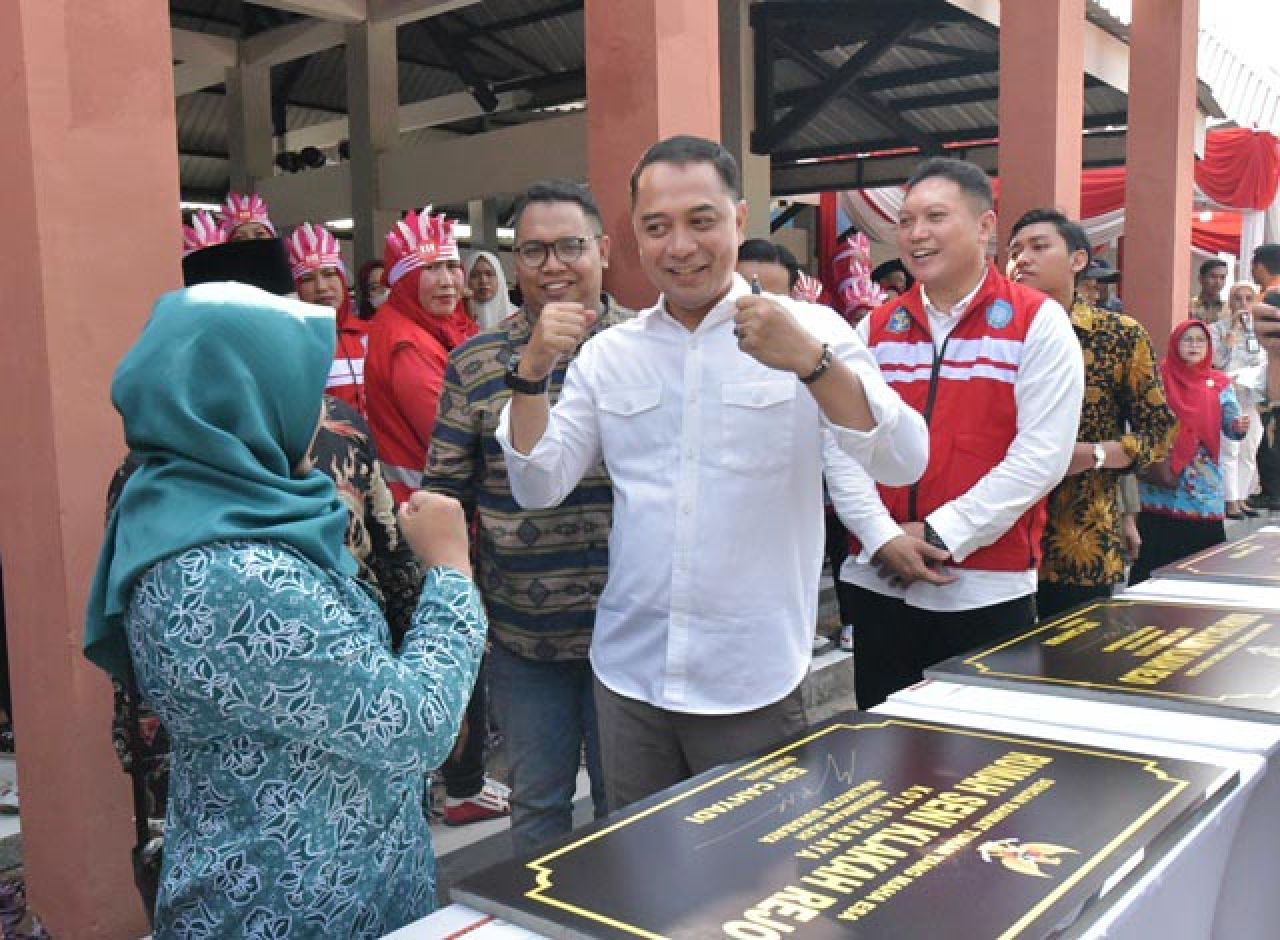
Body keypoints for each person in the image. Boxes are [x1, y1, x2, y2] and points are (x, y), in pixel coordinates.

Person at [498, 135, 928, 809]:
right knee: (639, 876)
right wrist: (529, 376)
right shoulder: (613, 354)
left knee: (753, 884)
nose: (680, 246)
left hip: (749, 676)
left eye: (701, 221)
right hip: (631, 674)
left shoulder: (811, 330)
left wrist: (812, 364)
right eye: (656, 227)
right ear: (634, 237)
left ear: (740, 218)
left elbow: (903, 457)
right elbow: (536, 483)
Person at [84, 282, 487, 938]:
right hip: (295, 906)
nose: (319, 409)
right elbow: (414, 727)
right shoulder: (230, 576)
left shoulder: (194, 502)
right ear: (242, 397)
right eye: (300, 385)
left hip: (328, 880)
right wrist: (450, 573)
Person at [827, 158, 1084, 709]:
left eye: (936, 217)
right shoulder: (873, 326)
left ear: (985, 227)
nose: (917, 234)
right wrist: (883, 535)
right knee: (883, 757)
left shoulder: (1036, 322)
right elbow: (841, 442)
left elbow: (1041, 456)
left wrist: (941, 534)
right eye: (907, 220)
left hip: (985, 586)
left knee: (980, 770)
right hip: (880, 579)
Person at [426, 181, 628, 849]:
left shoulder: (645, 347)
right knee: (539, 806)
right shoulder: (478, 361)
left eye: (571, 246)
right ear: (516, 265)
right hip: (523, 634)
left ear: (603, 249)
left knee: (628, 807)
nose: (553, 265)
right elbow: (443, 494)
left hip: (634, 631)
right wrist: (461, 607)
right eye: (534, 250)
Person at [1006, 209, 1176, 619]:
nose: (1022, 258)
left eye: (1039, 247)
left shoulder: (1119, 335)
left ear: (1078, 260)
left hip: (1079, 535)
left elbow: (1160, 432)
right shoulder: (993, 334)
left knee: (1071, 666)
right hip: (996, 538)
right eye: (1014, 250)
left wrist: (1097, 455)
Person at [364, 208, 478, 503]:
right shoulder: (408, 344)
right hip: (424, 504)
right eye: (430, 269)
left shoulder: (428, 326)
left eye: (452, 265)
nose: (447, 281)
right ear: (406, 281)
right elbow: (450, 439)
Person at [1130, 319, 1250, 583]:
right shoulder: (1157, 378)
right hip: (1163, 479)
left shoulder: (1219, 383)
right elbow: (1141, 415)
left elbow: (1231, 427)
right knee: (1156, 554)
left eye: (1200, 340)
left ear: (1209, 346)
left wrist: (1239, 427)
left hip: (1201, 482)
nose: (1194, 345)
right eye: (1187, 339)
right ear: (1175, 344)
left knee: (1202, 557)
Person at [288, 222, 368, 415]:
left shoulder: (371, 334)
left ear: (342, 280)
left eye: (329, 274)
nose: (321, 287)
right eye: (307, 279)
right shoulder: (291, 345)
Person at [1214, 282, 1266, 518]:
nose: (1244, 304)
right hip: (1227, 396)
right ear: (1230, 302)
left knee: (1249, 448)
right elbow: (1216, 362)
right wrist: (1230, 335)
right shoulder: (1217, 329)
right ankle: (1230, 500)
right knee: (1230, 449)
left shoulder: (1260, 331)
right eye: (1238, 298)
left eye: (1248, 299)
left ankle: (1243, 496)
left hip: (1250, 395)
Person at [1250, 244, 1280, 510]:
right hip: (1268, 380)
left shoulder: (1269, 297)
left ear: (1260, 265)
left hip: (1267, 384)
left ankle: (1274, 492)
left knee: (1268, 441)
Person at [464, 251, 516, 330]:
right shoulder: (456, 322)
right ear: (466, 280)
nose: (483, 281)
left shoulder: (519, 318)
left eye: (489, 274)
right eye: (475, 275)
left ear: (499, 278)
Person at [1190, 258, 1228, 323]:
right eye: (1213, 276)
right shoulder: (1189, 306)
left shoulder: (1228, 309)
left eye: (1222, 277)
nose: (1218, 282)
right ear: (1201, 279)